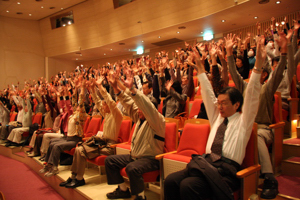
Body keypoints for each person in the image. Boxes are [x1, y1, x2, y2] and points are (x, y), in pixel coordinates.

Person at [164, 33, 263, 200]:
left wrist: (258, 64)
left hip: (226, 171)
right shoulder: (217, 117)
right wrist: (201, 68)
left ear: (237, 105)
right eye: (219, 103)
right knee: (170, 181)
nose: (219, 106)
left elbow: (252, 95)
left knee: (188, 186)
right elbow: (209, 94)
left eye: (224, 103)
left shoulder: (243, 121)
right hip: (206, 164)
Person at [229, 30, 293, 199]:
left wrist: (284, 52)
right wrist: (229, 54)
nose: (252, 73)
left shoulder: (267, 88)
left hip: (263, 128)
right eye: (251, 72)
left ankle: (270, 178)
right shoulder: (245, 87)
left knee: (255, 136)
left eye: (257, 72)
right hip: (246, 126)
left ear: (264, 75)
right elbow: (234, 74)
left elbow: (279, 73)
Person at [104, 70, 165, 200]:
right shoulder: (139, 119)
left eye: (140, 108)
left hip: (151, 160)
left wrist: (132, 88)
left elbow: (147, 106)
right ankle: (123, 189)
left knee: (132, 168)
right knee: (110, 160)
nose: (138, 110)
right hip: (135, 157)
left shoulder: (157, 120)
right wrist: (116, 88)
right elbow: (128, 103)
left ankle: (140, 196)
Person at [59, 75, 123, 188]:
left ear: (110, 106)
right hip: (102, 142)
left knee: (80, 151)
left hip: (110, 147)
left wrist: (100, 87)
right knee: (78, 149)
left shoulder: (117, 115)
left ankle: (79, 178)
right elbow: (98, 103)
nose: (102, 107)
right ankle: (74, 176)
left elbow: (109, 101)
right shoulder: (107, 114)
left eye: (105, 105)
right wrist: (93, 89)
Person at [39, 81, 88, 177]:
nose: (76, 106)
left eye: (78, 106)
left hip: (75, 139)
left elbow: (80, 102)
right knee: (52, 142)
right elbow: (70, 103)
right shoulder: (72, 114)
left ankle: (54, 168)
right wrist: (67, 93)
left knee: (57, 146)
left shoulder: (81, 116)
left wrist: (82, 89)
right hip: (67, 137)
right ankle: (48, 165)